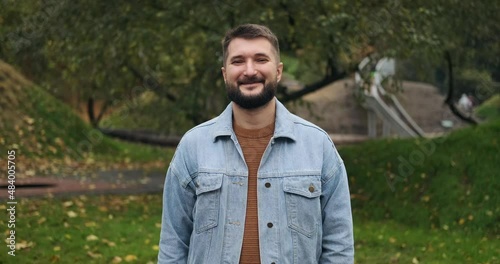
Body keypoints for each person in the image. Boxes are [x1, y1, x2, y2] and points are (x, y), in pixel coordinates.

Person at [157, 24, 354, 263]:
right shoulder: (193, 146)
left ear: (278, 71)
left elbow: (339, 246)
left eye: (261, 59)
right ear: (224, 73)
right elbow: (173, 245)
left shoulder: (318, 146)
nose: (249, 71)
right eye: (238, 61)